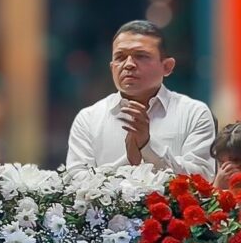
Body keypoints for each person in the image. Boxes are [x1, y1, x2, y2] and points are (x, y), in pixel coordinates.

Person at [66, 20, 215, 178]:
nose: (128, 64)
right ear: (112, 67)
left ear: (167, 67)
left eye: (141, 56)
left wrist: (148, 147)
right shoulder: (89, 118)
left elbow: (203, 178)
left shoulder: (194, 113)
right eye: (120, 57)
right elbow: (75, 180)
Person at [212, 122, 241, 190]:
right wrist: (216, 187)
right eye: (222, 163)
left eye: (235, 160)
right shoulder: (219, 183)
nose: (226, 169)